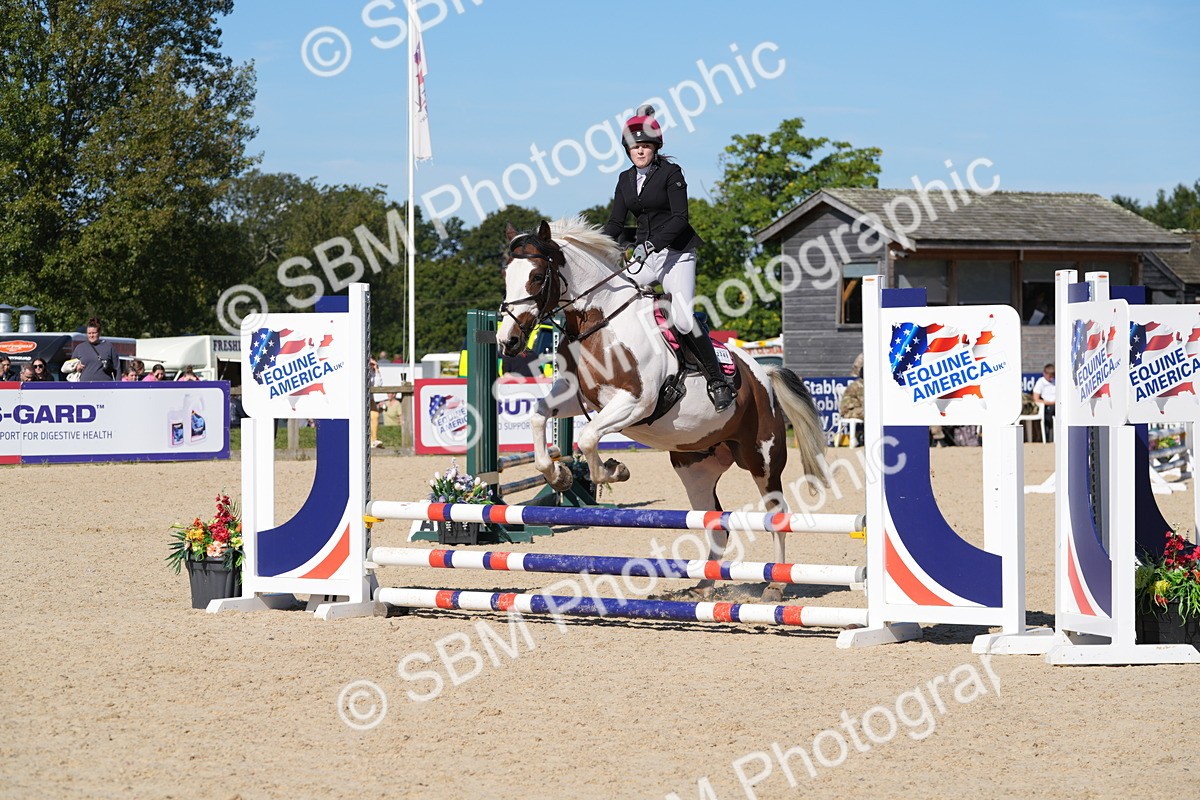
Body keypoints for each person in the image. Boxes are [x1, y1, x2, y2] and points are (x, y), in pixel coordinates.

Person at [601, 105, 733, 412]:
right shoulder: (624, 179)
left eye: (645, 146)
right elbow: (616, 223)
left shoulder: (671, 173)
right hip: (646, 256)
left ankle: (717, 381)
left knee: (683, 319)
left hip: (676, 254)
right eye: (634, 146)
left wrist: (651, 244)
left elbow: (680, 219)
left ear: (655, 147)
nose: (640, 151)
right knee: (614, 301)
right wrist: (598, 247)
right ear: (627, 150)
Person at [72, 317, 119, 381]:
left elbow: (117, 368)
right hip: (84, 385)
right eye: (89, 333)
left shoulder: (109, 347)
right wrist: (76, 367)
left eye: (94, 333)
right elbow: (70, 366)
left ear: (99, 333)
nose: (91, 335)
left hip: (105, 385)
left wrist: (118, 384)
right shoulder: (79, 348)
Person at [838, 353, 865, 446]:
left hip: (856, 409)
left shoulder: (863, 384)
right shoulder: (858, 385)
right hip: (849, 411)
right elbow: (863, 402)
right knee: (870, 414)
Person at [1032, 363, 1056, 442]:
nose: (1051, 378)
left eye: (1053, 376)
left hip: (1057, 405)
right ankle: (1049, 438)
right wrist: (1050, 403)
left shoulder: (1056, 381)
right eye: (1050, 376)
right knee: (1048, 416)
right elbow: (1036, 399)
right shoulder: (1040, 382)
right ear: (1044, 374)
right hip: (1047, 406)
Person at [368, 358, 384, 448]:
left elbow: (378, 385)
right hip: (359, 399)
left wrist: (376, 369)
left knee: (375, 416)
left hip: (370, 399)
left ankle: (373, 440)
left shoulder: (372, 372)